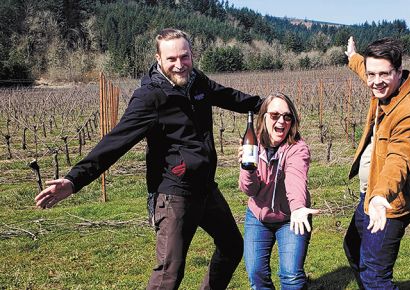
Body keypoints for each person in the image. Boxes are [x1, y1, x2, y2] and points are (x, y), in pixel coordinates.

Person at [35, 28, 263, 290]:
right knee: (169, 274)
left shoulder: (197, 81)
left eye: (184, 57)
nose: (180, 65)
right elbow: (115, 142)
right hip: (174, 194)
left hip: (205, 189)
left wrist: (267, 105)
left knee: (232, 246)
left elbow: (229, 97)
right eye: (172, 59)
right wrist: (74, 180)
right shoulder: (150, 98)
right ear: (158, 59)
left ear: (192, 54)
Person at [343, 36, 410, 289]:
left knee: (374, 275)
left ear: (399, 70)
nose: (375, 81)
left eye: (383, 74)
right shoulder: (383, 87)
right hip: (370, 193)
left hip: (389, 202)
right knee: (352, 247)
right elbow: (366, 69)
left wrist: (381, 197)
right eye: (372, 74)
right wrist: (353, 57)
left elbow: (401, 156)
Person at [238, 93, 319, 290]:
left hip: (291, 218)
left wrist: (299, 207)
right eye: (274, 115)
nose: (281, 121)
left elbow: (295, 177)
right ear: (263, 117)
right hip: (258, 217)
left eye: (287, 116)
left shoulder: (298, 149)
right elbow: (250, 189)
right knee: (256, 274)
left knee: (291, 276)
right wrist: (247, 169)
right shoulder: (251, 144)